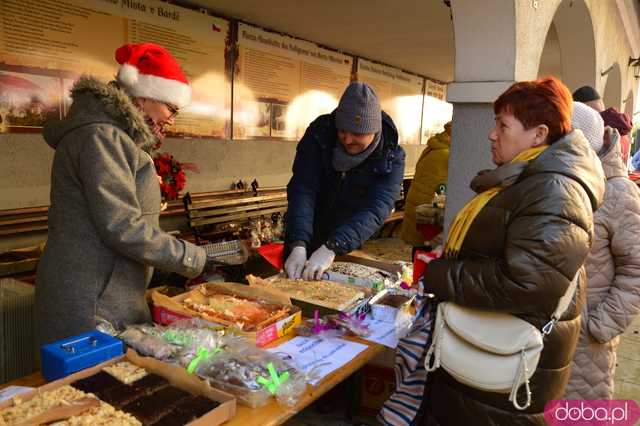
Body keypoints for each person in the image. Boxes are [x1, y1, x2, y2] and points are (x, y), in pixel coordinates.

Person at [420, 77, 605, 425]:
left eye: (503, 125)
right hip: (492, 363)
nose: (492, 134)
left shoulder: (555, 190)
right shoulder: (532, 179)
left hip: (506, 376)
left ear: (538, 134)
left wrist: (439, 273)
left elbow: (527, 283)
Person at [36, 43, 214, 346]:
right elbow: (121, 225)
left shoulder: (114, 138)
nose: (171, 119)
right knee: (89, 389)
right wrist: (192, 257)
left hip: (108, 293)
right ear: (143, 96)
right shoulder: (102, 137)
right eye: (171, 109)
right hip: (92, 301)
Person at [284, 81, 405, 280]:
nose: (347, 140)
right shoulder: (319, 137)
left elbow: (376, 209)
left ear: (374, 130)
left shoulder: (391, 157)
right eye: (342, 131)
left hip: (346, 241)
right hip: (304, 233)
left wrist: (334, 246)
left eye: (357, 133)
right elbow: (303, 190)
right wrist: (298, 243)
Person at [565, 103, 640, 400]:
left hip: (588, 345)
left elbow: (636, 271)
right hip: (545, 340)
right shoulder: (560, 182)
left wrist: (598, 327)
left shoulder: (619, 192)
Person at [400, 122, 451, 246]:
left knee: (417, 252)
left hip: (417, 209)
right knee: (423, 254)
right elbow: (441, 190)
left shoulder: (434, 146)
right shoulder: (447, 155)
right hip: (427, 218)